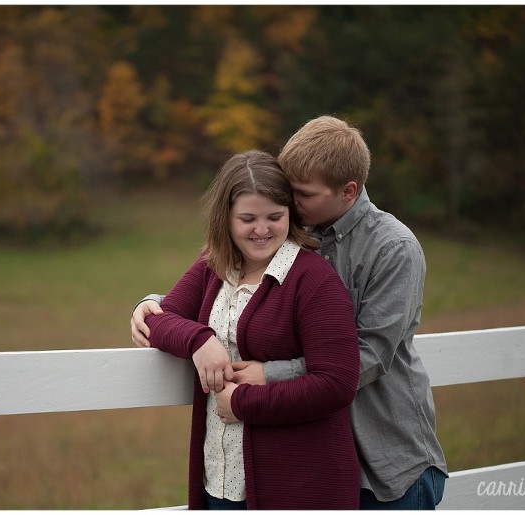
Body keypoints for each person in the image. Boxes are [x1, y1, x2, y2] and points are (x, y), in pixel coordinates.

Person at [132, 116, 448, 509]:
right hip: (314, 442)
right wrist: (157, 305)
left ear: (348, 191)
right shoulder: (295, 227)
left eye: (301, 194)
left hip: (386, 456)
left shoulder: (392, 248)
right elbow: (231, 285)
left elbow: (369, 357)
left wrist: (267, 376)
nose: (287, 203)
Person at [141, 149, 361, 509]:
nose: (262, 230)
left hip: (298, 487)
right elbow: (160, 319)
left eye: (275, 216)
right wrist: (200, 340)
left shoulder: (314, 281)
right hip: (220, 480)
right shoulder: (214, 265)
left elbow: (337, 383)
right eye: (248, 218)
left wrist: (245, 403)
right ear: (225, 218)